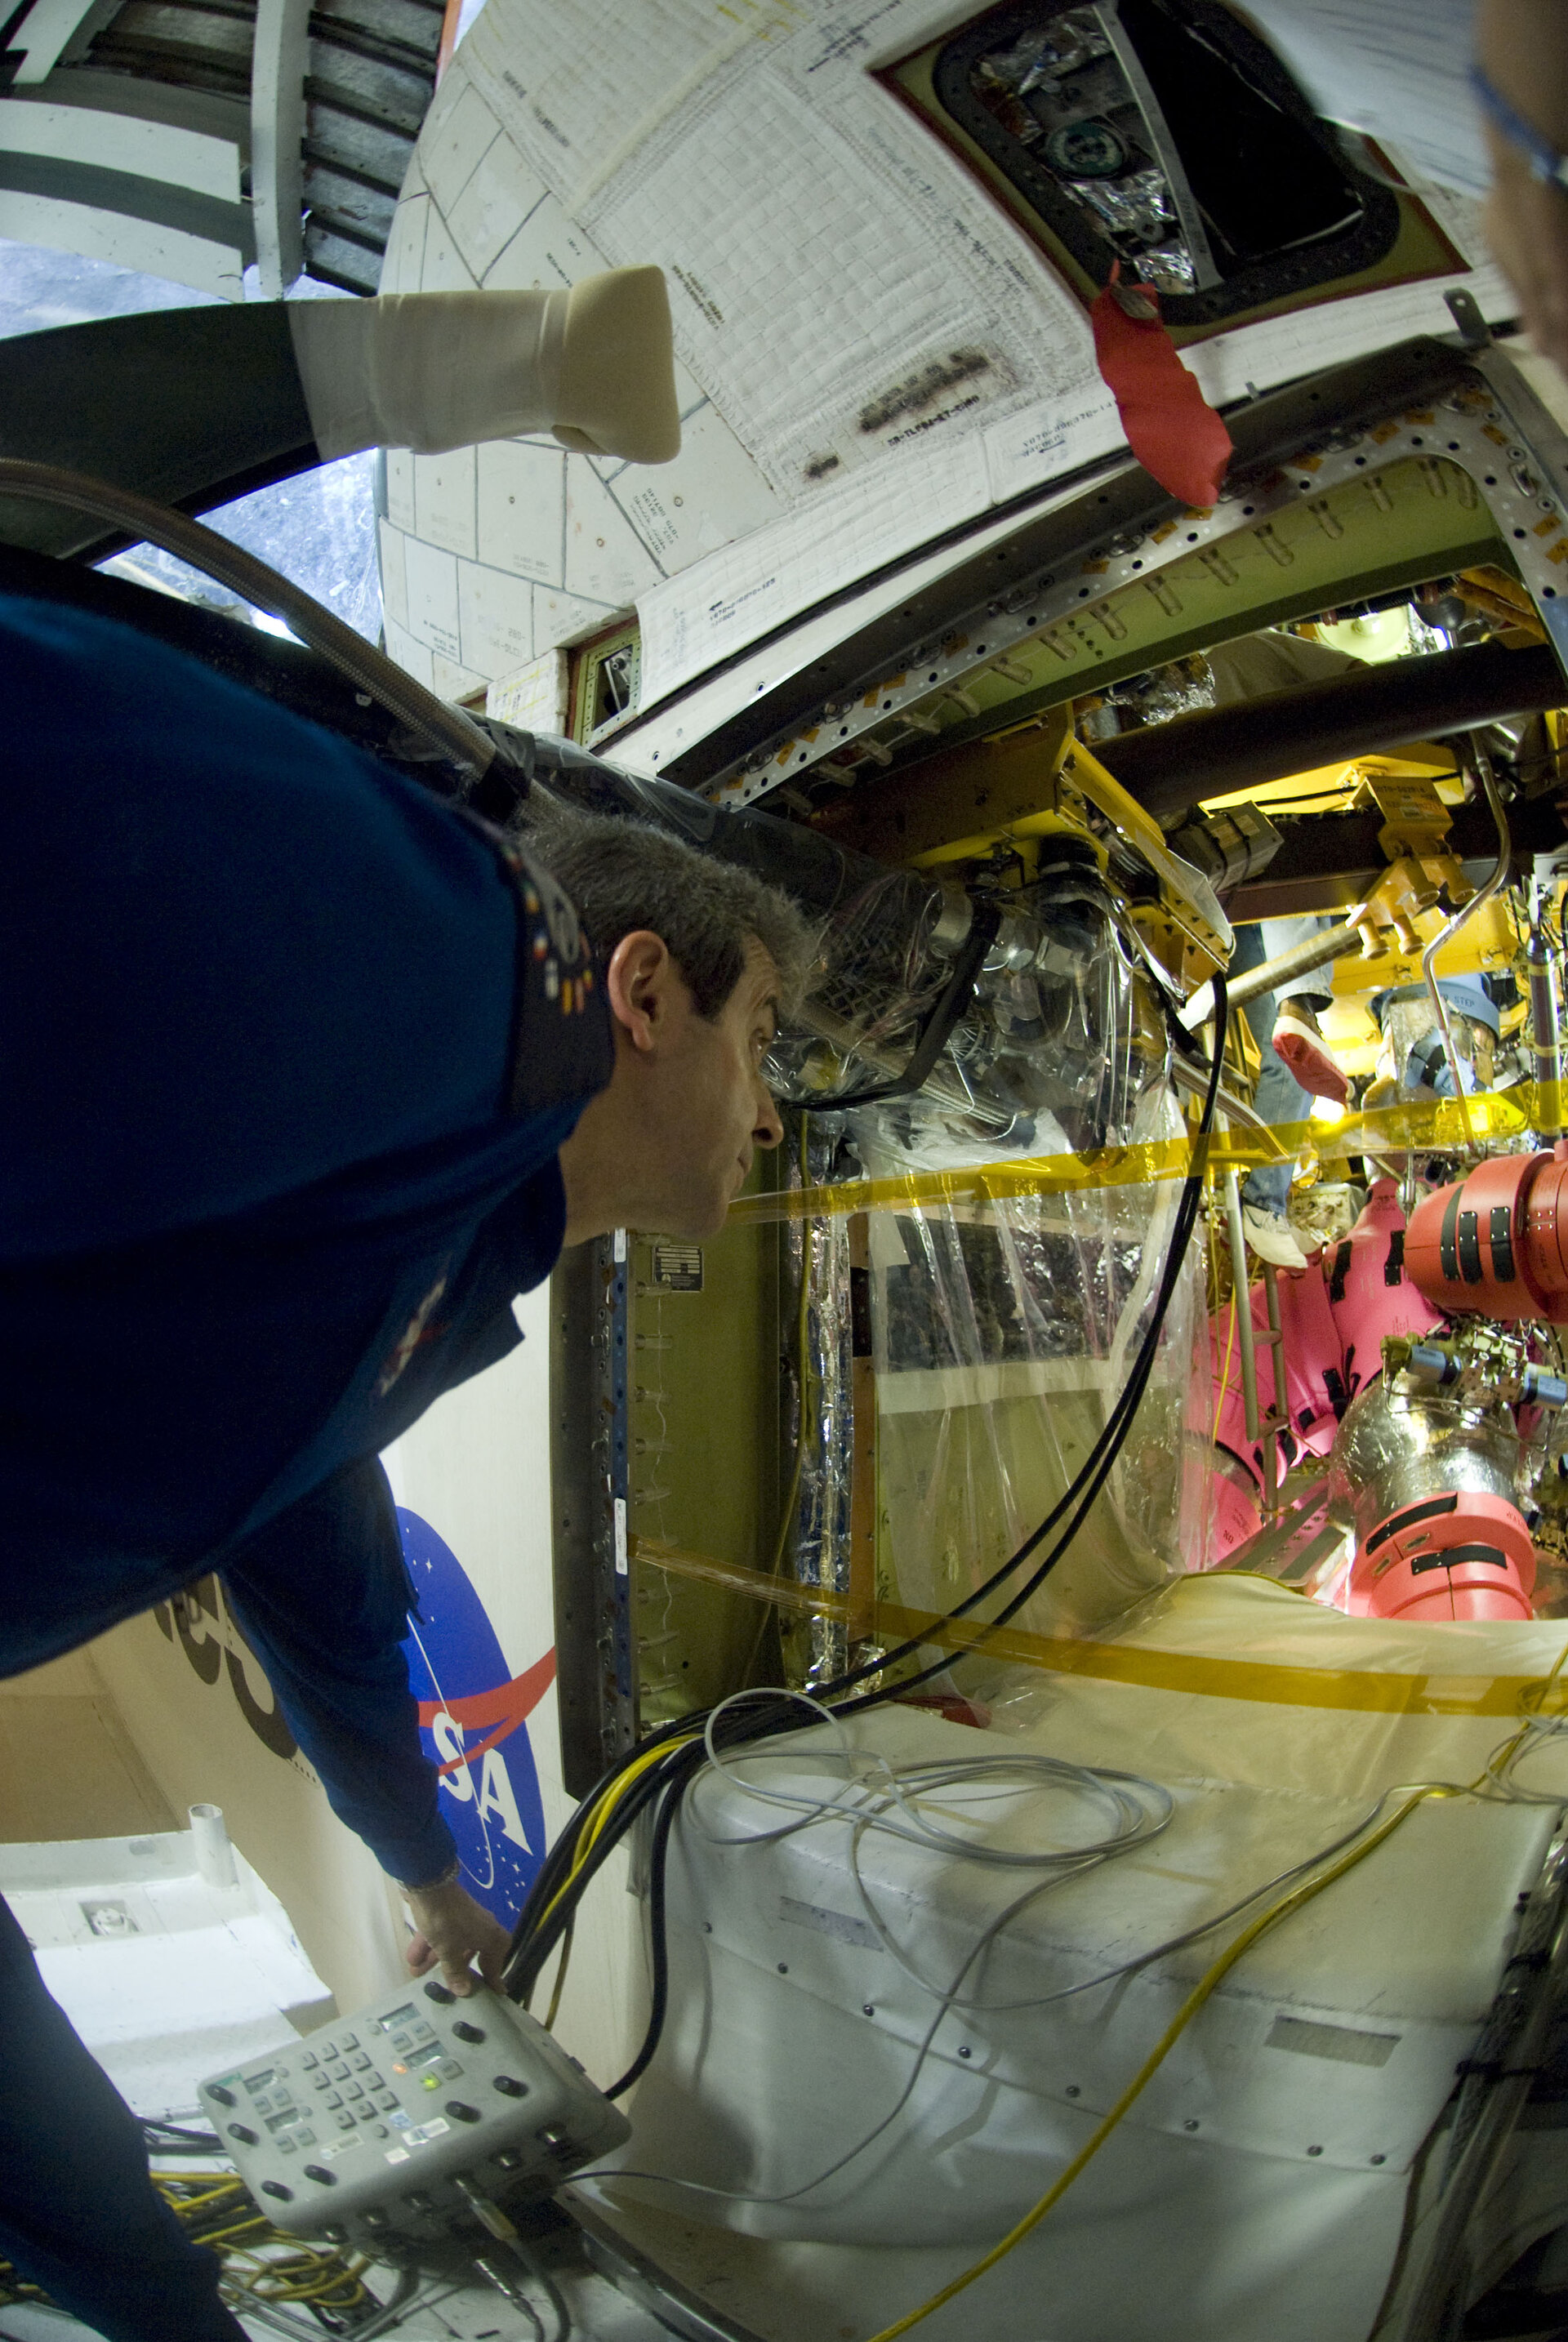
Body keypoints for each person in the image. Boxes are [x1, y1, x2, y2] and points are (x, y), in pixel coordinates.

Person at [0, 587, 813, 2337]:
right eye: (762, 1050)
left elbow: (311, 1550)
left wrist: (421, 1870)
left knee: (103, 2228)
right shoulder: (445, 967)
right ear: (645, 990)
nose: (767, 1119)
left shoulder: (438, 1250)